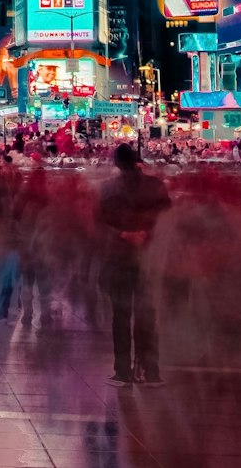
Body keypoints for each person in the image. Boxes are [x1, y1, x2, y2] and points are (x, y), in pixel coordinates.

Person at [97, 143, 171, 386]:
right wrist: (147, 234)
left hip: (119, 259)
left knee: (120, 316)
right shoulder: (156, 187)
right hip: (148, 259)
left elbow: (98, 224)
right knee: (147, 314)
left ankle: (123, 371)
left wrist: (123, 235)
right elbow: (168, 219)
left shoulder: (107, 189)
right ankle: (151, 372)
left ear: (117, 164)